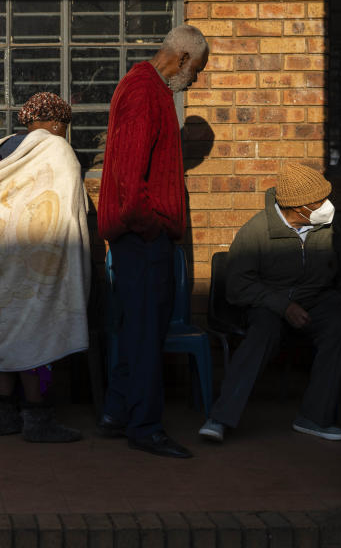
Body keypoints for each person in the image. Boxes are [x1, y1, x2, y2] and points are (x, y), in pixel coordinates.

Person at [96, 25, 209, 459]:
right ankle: (144, 426)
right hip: (142, 236)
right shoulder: (145, 90)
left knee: (138, 330)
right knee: (146, 334)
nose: (195, 79)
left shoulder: (148, 87)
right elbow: (129, 173)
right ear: (181, 57)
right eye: (196, 70)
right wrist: (150, 224)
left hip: (141, 236)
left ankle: (117, 413)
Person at [0, 92, 90, 443]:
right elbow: (66, 211)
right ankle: (38, 417)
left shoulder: (0, 150)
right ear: (58, 123)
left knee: (1, 331)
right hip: (34, 263)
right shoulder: (56, 149)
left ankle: (3, 415)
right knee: (36, 336)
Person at [199, 163, 341, 443]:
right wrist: (283, 306)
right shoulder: (256, 232)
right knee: (262, 333)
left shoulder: (330, 228)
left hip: (316, 302)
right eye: (319, 202)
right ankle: (220, 418)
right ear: (296, 208)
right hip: (268, 305)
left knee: (340, 323)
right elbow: (238, 285)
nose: (327, 207)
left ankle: (315, 417)